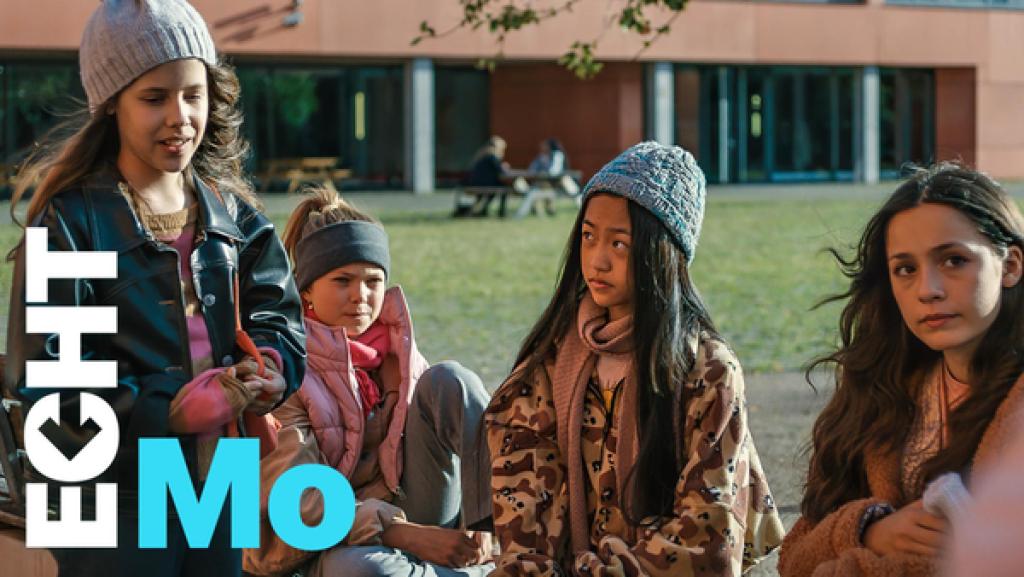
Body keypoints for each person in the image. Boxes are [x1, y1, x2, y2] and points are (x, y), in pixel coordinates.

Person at [2, 1, 306, 576]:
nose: (180, 116)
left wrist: (269, 367)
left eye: (194, 94)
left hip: (222, 473)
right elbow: (51, 378)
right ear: (112, 104)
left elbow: (280, 319)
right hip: (103, 491)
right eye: (154, 97)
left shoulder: (233, 215)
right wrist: (165, 414)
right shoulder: (69, 222)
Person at [485, 142, 785, 576]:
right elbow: (525, 521)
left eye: (620, 243)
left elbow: (708, 536)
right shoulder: (553, 358)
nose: (598, 260)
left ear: (662, 253)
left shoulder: (708, 370)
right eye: (588, 237)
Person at [778, 163, 1024, 577]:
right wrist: (869, 529)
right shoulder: (882, 389)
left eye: (954, 260)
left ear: (1011, 266)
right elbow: (795, 555)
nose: (928, 289)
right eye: (905, 269)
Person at [244, 187, 495, 577]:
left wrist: (479, 519)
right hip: (324, 542)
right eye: (343, 280)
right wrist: (400, 533)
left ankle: (506, 529)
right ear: (307, 289)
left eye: (373, 281)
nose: (360, 296)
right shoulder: (284, 368)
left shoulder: (400, 352)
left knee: (450, 380)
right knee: (363, 571)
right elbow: (301, 502)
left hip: (415, 514)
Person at [459, 136, 511, 217]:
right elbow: (500, 172)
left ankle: (482, 210)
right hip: (482, 184)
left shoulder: (482, 154)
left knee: (495, 189)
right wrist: (504, 167)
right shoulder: (492, 156)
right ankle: (501, 212)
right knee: (503, 187)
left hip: (474, 183)